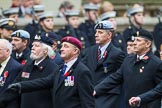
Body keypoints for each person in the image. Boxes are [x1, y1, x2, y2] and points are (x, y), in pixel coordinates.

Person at [0, 36, 94, 108]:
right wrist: (20, 86)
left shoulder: (82, 71)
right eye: (62, 46)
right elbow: (44, 82)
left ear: (75, 51)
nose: (61, 49)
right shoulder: (60, 69)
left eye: (66, 46)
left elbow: (87, 101)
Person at [94, 28, 162, 108]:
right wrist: (96, 89)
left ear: (147, 44)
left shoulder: (156, 63)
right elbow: (115, 78)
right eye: (134, 40)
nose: (134, 43)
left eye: (138, 41)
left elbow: (160, 89)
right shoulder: (128, 60)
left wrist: (141, 98)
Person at [82, 20, 126, 108]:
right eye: (96, 32)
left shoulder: (117, 54)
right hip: (90, 96)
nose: (96, 34)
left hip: (108, 97)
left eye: (100, 32)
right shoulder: (90, 51)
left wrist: (98, 89)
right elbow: (82, 70)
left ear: (109, 35)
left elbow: (120, 75)